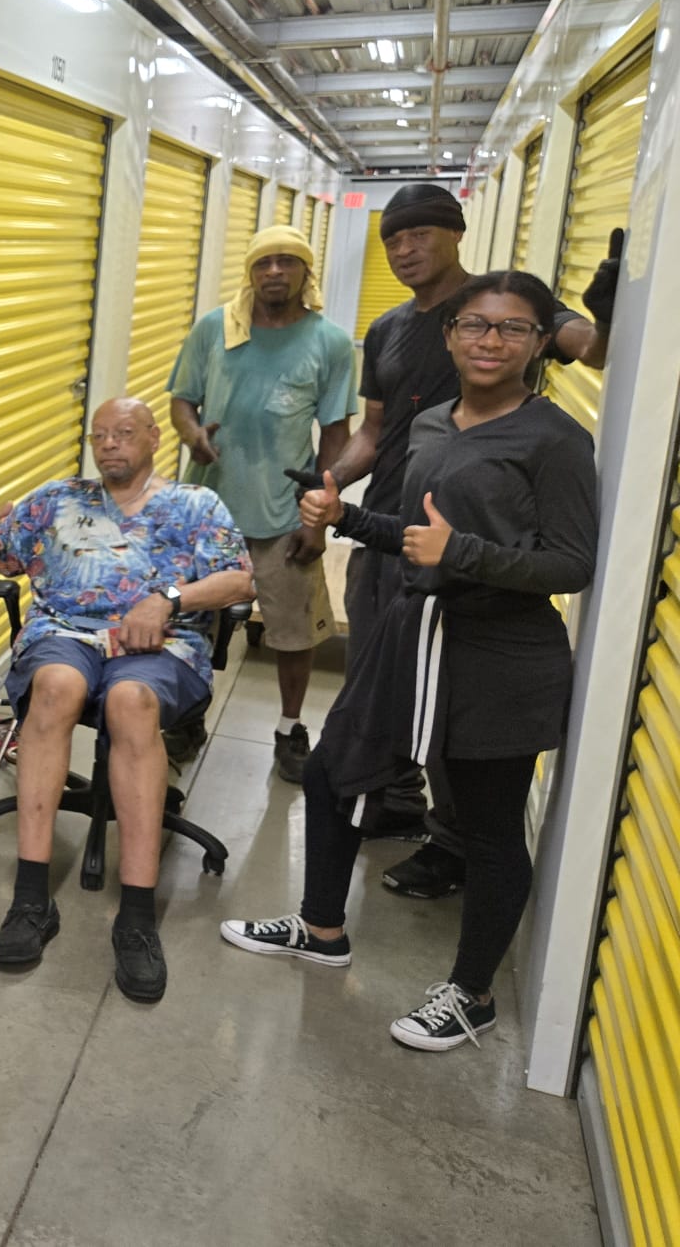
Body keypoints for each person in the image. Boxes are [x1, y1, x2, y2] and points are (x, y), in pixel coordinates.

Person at [222, 271, 598, 1051]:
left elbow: (571, 564)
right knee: (333, 771)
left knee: (487, 827)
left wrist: (462, 553)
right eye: (475, 324)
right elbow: (418, 533)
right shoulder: (431, 423)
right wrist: (348, 516)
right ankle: (322, 929)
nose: (490, 341)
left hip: (498, 654)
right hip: (413, 632)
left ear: (539, 344)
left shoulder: (556, 440)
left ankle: (472, 995)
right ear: (451, 335)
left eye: (513, 328)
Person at [322, 183, 608, 898]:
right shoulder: (387, 329)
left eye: (420, 233)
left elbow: (592, 349)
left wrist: (611, 305)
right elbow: (373, 431)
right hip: (389, 532)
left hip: (470, 557)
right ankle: (392, 798)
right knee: (378, 684)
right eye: (393, 238)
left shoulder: (502, 308)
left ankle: (453, 843)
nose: (405, 249)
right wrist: (333, 490)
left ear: (456, 233)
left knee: (459, 710)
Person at [0, 398, 253, 1002]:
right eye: (100, 435)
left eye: (124, 432)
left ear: (154, 439)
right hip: (65, 635)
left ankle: (136, 918)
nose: (110, 443)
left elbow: (241, 580)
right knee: (55, 687)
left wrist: (167, 599)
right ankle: (31, 900)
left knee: (130, 702)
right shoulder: (56, 500)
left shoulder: (195, 504)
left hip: (160, 643)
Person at [169, 225, 356, 784]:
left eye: (287, 262)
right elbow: (182, 401)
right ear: (250, 272)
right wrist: (192, 435)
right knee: (189, 621)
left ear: (305, 272)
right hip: (207, 509)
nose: (274, 272)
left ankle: (289, 727)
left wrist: (319, 514)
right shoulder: (216, 328)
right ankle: (185, 718)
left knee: (294, 629)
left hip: (283, 513)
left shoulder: (329, 342)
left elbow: (336, 434)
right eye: (263, 263)